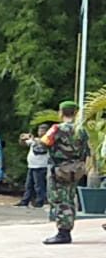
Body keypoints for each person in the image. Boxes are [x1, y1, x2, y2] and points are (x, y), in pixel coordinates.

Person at [42, 100, 91, 245]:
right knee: (70, 198)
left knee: (59, 199)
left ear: (61, 112)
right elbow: (87, 152)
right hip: (75, 170)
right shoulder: (81, 130)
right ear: (75, 113)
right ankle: (67, 229)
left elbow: (42, 145)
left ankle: (63, 233)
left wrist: (31, 141)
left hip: (59, 170)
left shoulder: (56, 129)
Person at [16, 122, 52, 208]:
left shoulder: (48, 141)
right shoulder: (34, 140)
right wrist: (22, 138)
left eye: (43, 130)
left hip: (41, 166)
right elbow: (23, 144)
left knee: (39, 186)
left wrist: (33, 139)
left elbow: (43, 143)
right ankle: (25, 201)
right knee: (28, 185)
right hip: (32, 166)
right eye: (40, 130)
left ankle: (40, 201)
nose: (41, 132)